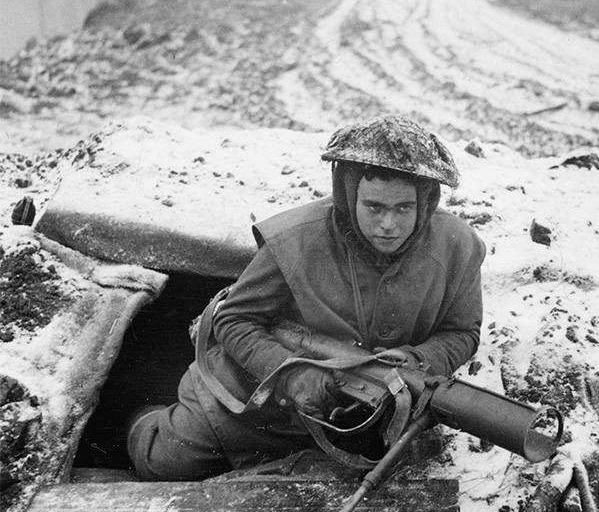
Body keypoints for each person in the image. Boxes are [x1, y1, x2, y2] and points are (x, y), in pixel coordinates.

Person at [126, 115, 486, 481]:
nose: (388, 224)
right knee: (167, 462)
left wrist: (418, 358)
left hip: (368, 411)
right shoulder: (295, 239)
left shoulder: (458, 247)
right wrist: (291, 374)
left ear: (425, 202)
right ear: (349, 196)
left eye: (403, 209)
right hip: (256, 398)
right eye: (374, 207)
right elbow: (234, 320)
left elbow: (463, 332)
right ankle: (140, 417)